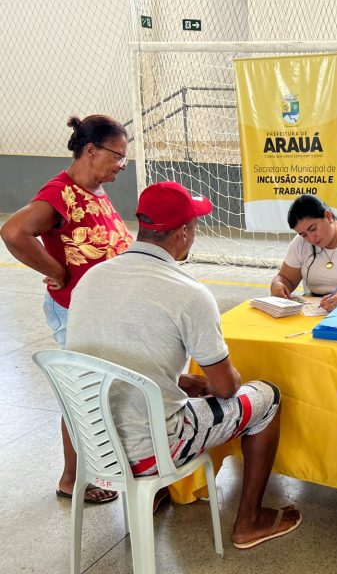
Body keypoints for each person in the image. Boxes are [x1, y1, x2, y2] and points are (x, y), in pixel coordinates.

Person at [66, 181, 301, 548]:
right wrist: (221, 380)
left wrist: (174, 381)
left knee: (185, 392)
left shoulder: (91, 278)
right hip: (151, 450)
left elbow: (112, 356)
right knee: (266, 397)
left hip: (93, 445)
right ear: (184, 233)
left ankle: (157, 494)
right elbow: (226, 388)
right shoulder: (189, 293)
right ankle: (249, 521)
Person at [1, 114, 134, 505]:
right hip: (75, 311)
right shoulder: (60, 192)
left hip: (99, 311)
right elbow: (14, 231)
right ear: (90, 150)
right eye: (118, 156)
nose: (122, 165)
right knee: (83, 394)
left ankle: (97, 468)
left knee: (97, 392)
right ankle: (73, 479)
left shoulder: (94, 189)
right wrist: (56, 270)